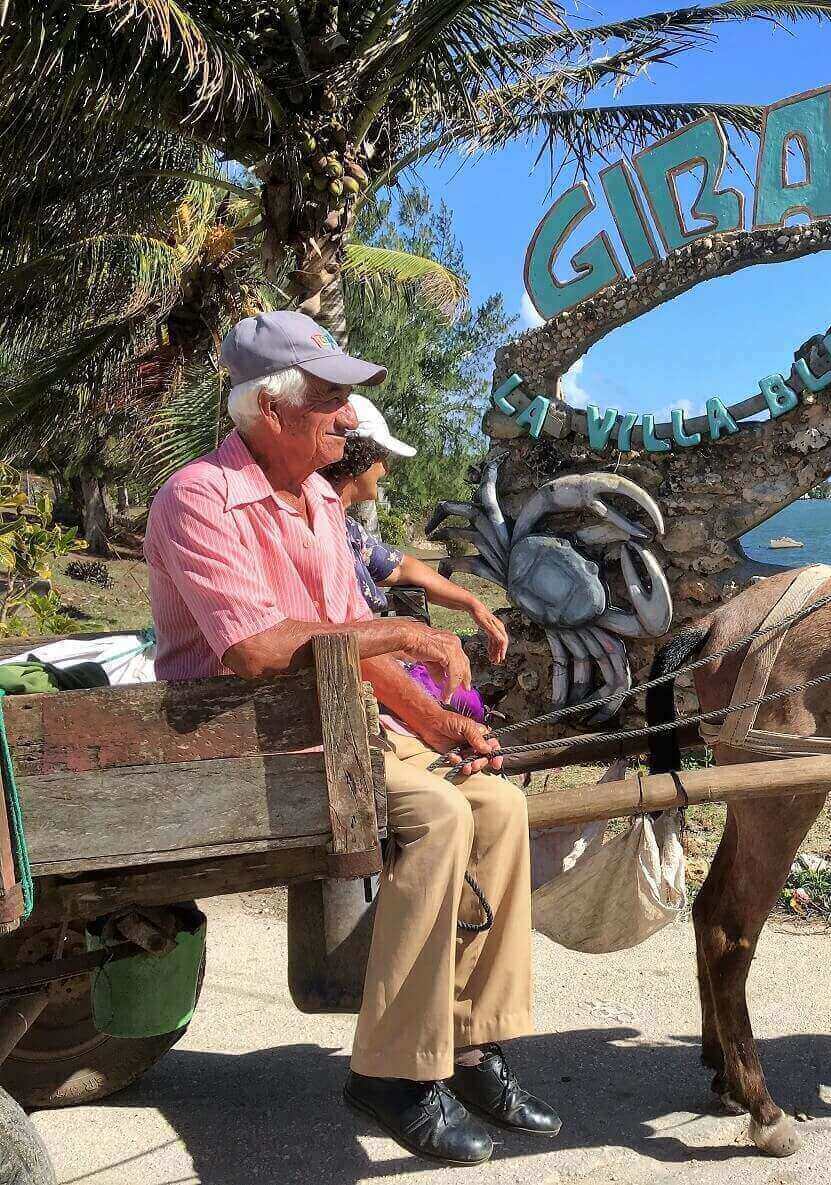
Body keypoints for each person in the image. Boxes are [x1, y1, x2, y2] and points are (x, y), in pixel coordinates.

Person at [144, 311, 557, 1168]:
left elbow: (349, 646)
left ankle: (470, 1043)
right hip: (246, 740)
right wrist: (400, 636)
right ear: (271, 409)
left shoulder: (324, 501)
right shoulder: (199, 498)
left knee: (499, 803)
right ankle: (392, 1074)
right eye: (330, 397)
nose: (348, 417)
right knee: (441, 816)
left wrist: (442, 722)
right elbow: (257, 648)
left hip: (338, 726)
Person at [318, 394, 507, 718]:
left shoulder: (347, 529)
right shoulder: (320, 530)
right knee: (464, 707)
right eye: (382, 457)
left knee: (470, 704)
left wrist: (473, 603)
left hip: (369, 666)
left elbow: (403, 566)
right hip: (355, 681)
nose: (386, 469)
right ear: (360, 457)